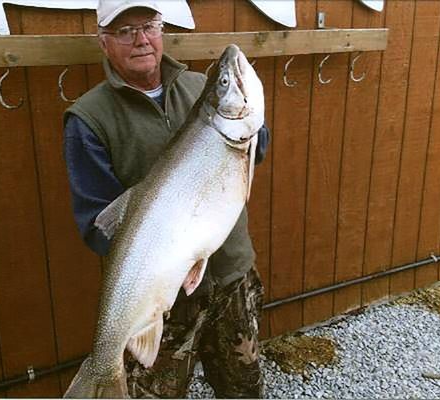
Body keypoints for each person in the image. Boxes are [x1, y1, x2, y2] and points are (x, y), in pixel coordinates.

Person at [63, 0, 270, 397]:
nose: (141, 39)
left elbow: (255, 151)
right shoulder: (87, 119)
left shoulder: (199, 87)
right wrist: (168, 255)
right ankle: (102, 372)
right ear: (103, 42)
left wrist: (250, 126)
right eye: (125, 31)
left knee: (243, 388)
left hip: (230, 277)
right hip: (162, 298)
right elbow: (98, 226)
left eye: (149, 26)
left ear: (161, 32)